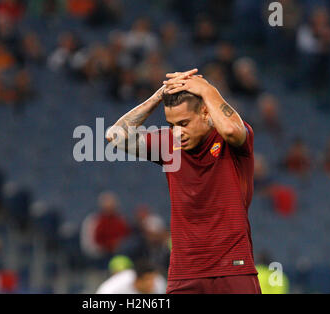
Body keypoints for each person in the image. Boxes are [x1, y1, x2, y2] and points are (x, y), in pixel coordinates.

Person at [106, 68, 261, 294]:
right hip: (184, 273)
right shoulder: (170, 144)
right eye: (172, 124)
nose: (178, 131)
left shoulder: (233, 140)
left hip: (232, 267)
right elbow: (114, 135)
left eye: (184, 123)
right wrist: (159, 95)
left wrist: (208, 89)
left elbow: (229, 129)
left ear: (206, 114)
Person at [95, 259, 166, 294]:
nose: (152, 284)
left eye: (153, 279)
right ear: (138, 280)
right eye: (148, 280)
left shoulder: (159, 284)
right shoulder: (115, 287)